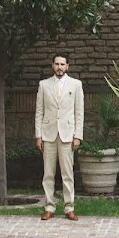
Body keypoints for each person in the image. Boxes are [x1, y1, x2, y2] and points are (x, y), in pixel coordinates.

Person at [35, 54, 84, 221]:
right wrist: (38, 135)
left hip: (67, 135)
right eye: (56, 64)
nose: (59, 67)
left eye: (62, 64)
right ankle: (49, 207)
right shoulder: (43, 85)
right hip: (48, 134)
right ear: (52, 65)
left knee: (67, 174)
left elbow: (79, 112)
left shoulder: (76, 85)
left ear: (68, 66)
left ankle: (69, 208)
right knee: (48, 174)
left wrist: (78, 136)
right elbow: (39, 112)